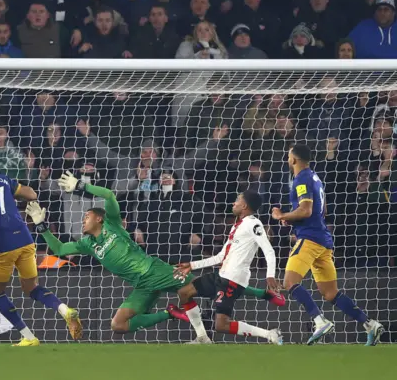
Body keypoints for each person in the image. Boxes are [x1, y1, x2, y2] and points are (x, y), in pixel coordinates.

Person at [25, 172, 285, 336]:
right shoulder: (86, 244)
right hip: (141, 285)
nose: (83, 220)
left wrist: (82, 186)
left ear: (100, 219)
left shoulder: (113, 224)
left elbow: (108, 195)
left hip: (154, 271)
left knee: (212, 283)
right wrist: (41, 225)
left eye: (87, 216)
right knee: (118, 326)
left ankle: (263, 294)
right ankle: (170, 313)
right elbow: (59, 249)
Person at [271, 144, 385, 346]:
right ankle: (370, 324)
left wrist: (282, 215)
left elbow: (306, 211)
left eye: (289, 156)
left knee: (289, 282)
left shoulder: (302, 179)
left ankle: (319, 321)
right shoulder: (315, 178)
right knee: (331, 293)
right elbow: (321, 211)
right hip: (323, 240)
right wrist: (292, 219)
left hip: (310, 238)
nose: (288, 159)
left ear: (293, 160)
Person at [0, 155, 81, 346]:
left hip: (1, 246)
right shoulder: (2, 178)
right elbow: (32, 195)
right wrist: (12, 194)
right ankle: (64, 310)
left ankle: (29, 337)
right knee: (32, 288)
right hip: (25, 240)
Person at [171, 191, 283, 345]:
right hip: (221, 275)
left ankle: (269, 334)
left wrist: (270, 275)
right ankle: (202, 338)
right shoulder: (237, 226)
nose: (233, 203)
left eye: (237, 200)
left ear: (244, 206)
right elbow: (220, 257)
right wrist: (192, 265)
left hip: (232, 280)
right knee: (184, 293)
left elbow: (269, 250)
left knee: (221, 325)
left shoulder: (254, 224)